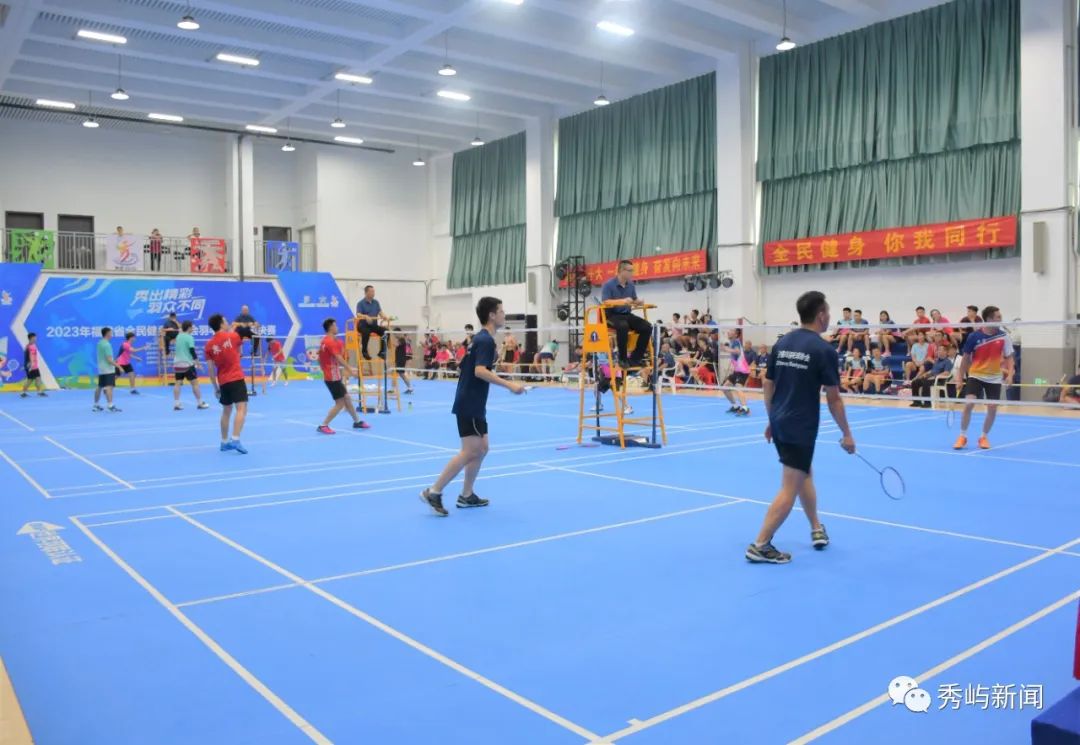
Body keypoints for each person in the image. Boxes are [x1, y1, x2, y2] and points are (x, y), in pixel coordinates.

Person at [748, 290, 855, 564]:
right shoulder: (824, 351)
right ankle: (761, 544)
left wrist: (772, 419)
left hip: (781, 422)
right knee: (789, 487)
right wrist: (847, 434)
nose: (829, 316)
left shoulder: (782, 343)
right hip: (801, 427)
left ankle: (816, 527)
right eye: (828, 312)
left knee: (804, 473)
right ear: (821, 315)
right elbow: (834, 398)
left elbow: (768, 384)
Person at [420, 297, 525, 516]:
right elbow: (479, 370)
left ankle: (466, 495)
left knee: (482, 447)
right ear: (492, 315)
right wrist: (510, 385)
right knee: (470, 451)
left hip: (473, 400)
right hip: (470, 402)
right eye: (501, 311)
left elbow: (464, 366)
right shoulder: (485, 340)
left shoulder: (479, 339)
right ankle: (434, 491)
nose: (504, 314)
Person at [954, 305, 1014, 450]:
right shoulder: (974, 336)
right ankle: (962, 436)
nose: (1001, 319)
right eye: (998, 317)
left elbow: (1009, 357)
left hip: (994, 378)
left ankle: (983, 437)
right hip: (976, 374)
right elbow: (965, 358)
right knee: (969, 404)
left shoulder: (1004, 336)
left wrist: (1011, 374)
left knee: (992, 408)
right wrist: (960, 378)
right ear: (989, 319)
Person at [316, 318, 370, 434]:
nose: (337, 327)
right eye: (335, 326)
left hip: (332, 376)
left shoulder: (324, 341)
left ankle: (357, 422)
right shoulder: (330, 342)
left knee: (347, 399)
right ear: (331, 327)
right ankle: (323, 425)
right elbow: (339, 358)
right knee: (340, 403)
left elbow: (319, 359)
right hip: (332, 377)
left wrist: (324, 369)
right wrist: (351, 370)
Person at [205, 314, 249, 454]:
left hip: (223, 381)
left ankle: (224, 442)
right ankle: (235, 439)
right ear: (221, 324)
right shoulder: (233, 336)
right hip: (236, 377)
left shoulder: (209, 345)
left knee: (226, 410)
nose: (228, 322)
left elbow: (211, 369)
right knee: (241, 408)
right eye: (225, 321)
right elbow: (241, 348)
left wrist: (215, 387)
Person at [600, 259, 652, 367]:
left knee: (647, 327)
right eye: (630, 270)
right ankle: (622, 359)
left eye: (632, 270)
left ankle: (635, 358)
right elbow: (605, 301)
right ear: (621, 271)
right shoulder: (608, 285)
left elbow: (633, 299)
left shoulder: (631, 285)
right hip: (612, 315)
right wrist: (622, 301)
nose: (632, 273)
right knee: (623, 326)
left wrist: (638, 302)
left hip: (627, 314)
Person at [172, 321, 209, 411]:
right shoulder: (189, 337)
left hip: (177, 363)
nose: (193, 329)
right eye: (192, 327)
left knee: (177, 383)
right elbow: (192, 351)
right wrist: (198, 364)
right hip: (187, 364)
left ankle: (176, 404)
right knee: (195, 383)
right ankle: (200, 403)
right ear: (189, 328)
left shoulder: (178, 336)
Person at [355, 285, 390, 360]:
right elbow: (358, 314)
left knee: (386, 332)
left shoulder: (376, 302)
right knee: (366, 332)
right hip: (363, 325)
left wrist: (385, 316)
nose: (373, 293)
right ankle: (364, 352)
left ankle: (382, 352)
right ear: (366, 293)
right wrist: (365, 316)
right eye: (371, 291)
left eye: (373, 291)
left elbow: (380, 312)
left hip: (373, 325)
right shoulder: (360, 303)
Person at [721, 329, 750, 415]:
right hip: (737, 371)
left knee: (738, 387)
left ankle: (745, 408)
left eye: (731, 331)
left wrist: (726, 349)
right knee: (725, 387)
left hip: (743, 371)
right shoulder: (732, 343)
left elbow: (737, 351)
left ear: (735, 334)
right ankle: (735, 406)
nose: (728, 332)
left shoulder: (736, 342)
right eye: (728, 331)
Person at [93, 327, 121, 413]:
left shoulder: (100, 343)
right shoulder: (107, 345)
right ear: (108, 333)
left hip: (101, 369)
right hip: (108, 369)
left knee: (100, 386)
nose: (112, 334)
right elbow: (109, 360)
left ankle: (96, 405)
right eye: (111, 333)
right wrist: (119, 367)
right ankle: (110, 405)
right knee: (109, 387)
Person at [20, 332, 46, 398]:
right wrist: (31, 365)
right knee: (31, 380)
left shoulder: (30, 345)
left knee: (37, 378)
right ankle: (23, 393)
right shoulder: (30, 347)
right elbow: (31, 356)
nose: (36, 338)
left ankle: (39, 392)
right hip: (31, 366)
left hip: (33, 365)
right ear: (31, 338)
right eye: (35, 337)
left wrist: (27, 365)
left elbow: (29, 356)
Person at [391, 328, 414, 394]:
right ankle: (409, 388)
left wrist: (388, 340)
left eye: (395, 334)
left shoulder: (402, 339)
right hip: (399, 359)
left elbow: (396, 345)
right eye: (394, 334)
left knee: (399, 374)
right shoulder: (400, 339)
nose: (394, 335)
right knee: (399, 374)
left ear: (398, 333)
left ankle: (394, 389)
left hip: (400, 359)